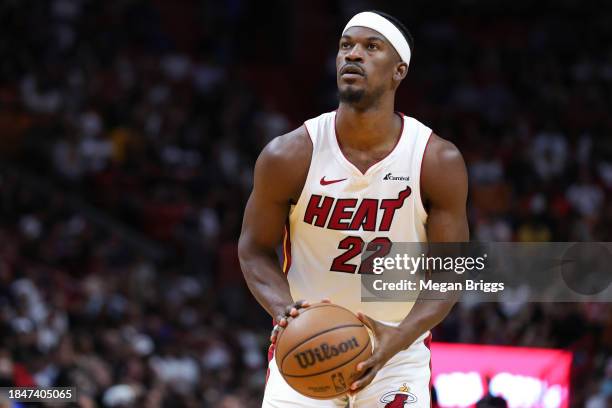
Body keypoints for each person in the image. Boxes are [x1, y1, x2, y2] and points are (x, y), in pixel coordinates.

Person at [238, 10, 469, 407]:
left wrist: (402, 334)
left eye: (370, 47)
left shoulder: (435, 160)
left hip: (397, 349)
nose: (353, 55)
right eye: (346, 46)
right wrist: (285, 313)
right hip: (308, 346)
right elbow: (254, 248)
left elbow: (450, 274)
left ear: (399, 71)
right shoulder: (289, 154)